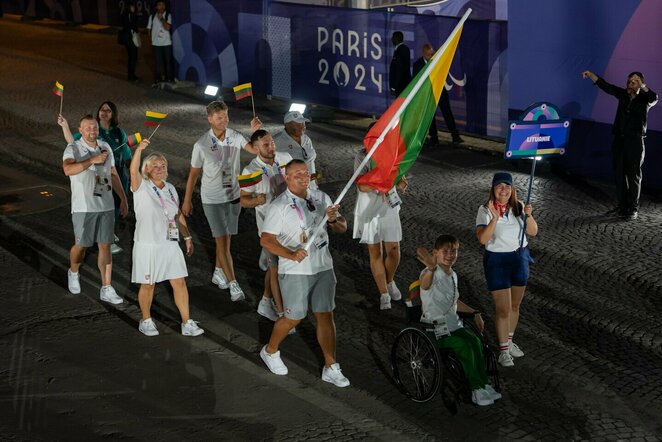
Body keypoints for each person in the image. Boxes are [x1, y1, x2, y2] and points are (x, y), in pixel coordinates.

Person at [259, 160, 350, 388]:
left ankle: (331, 366)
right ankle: (270, 351)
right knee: (293, 317)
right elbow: (266, 239)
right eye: (296, 173)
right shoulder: (279, 206)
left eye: (305, 173)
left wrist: (333, 219)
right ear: (287, 178)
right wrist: (290, 255)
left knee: (325, 314)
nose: (302, 176)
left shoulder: (322, 199)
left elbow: (342, 228)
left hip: (323, 267)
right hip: (295, 271)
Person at [182, 100, 260, 302]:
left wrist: (256, 132)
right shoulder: (201, 144)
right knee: (223, 240)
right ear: (209, 119)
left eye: (226, 116)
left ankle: (218, 271)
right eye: (219, 117)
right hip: (212, 199)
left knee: (226, 241)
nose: (224, 120)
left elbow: (253, 149)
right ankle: (233, 284)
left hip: (233, 196)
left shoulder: (234, 136)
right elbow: (193, 174)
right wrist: (187, 200)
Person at [128, 139, 204, 337]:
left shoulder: (169, 188)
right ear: (147, 170)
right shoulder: (141, 187)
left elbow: (176, 214)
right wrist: (139, 150)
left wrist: (187, 237)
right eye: (155, 166)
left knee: (179, 283)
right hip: (148, 245)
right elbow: (132, 171)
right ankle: (146, 320)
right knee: (148, 285)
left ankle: (187, 322)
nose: (160, 168)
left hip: (169, 244)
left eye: (163, 165)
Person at [415, 234, 501, 406]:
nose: (450, 255)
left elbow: (454, 301)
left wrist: (475, 312)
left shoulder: (452, 274)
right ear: (436, 253)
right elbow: (424, 285)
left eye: (453, 251)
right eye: (445, 251)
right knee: (463, 346)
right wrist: (431, 268)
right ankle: (476, 390)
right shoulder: (429, 272)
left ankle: (484, 384)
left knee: (475, 342)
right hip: (434, 330)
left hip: (453, 325)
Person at [62, 114, 129, 304]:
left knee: (105, 245)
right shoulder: (73, 148)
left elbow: (113, 173)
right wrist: (92, 160)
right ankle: (73, 271)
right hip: (84, 207)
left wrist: (123, 199)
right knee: (82, 245)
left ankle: (106, 287)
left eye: (95, 128)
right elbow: (68, 170)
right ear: (80, 130)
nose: (92, 131)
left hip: (106, 205)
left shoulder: (105, 146)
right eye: (88, 128)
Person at [475, 172, 538, 367]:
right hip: (497, 261)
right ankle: (503, 350)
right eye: (500, 186)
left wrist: (529, 215)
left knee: (515, 306)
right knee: (502, 309)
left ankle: (509, 341)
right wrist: (494, 219)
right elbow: (483, 239)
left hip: (519, 258)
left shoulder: (518, 207)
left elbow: (533, 231)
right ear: (493, 189)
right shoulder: (484, 210)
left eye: (507, 187)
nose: (504, 190)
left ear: (512, 190)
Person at [58, 101, 133, 254]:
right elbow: (73, 143)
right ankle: (99, 239)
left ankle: (107, 236)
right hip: (95, 175)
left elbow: (126, 153)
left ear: (113, 114)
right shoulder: (90, 130)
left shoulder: (119, 133)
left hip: (113, 171)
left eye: (108, 110)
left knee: (114, 204)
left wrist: (134, 173)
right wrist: (65, 127)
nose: (104, 112)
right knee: (99, 201)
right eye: (102, 109)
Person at [582, 70, 658, 220]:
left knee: (633, 176)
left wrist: (642, 85)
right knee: (619, 174)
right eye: (629, 81)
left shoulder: (645, 99)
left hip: (635, 142)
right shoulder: (623, 94)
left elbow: (654, 97)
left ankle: (633, 209)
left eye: (635, 81)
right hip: (619, 140)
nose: (631, 83)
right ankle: (622, 206)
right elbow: (607, 86)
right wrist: (591, 75)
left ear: (641, 84)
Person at [239, 130, 291, 321]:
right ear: (255, 148)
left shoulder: (285, 158)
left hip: (291, 225)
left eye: (272, 143)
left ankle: (265, 300)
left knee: (275, 268)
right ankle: (281, 313)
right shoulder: (249, 170)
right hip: (269, 230)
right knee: (276, 270)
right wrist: (256, 201)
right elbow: (243, 200)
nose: (271, 148)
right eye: (266, 145)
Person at [353, 146, 407, 310]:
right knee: (375, 252)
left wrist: (401, 182)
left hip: (389, 206)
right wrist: (382, 185)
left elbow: (399, 177)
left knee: (394, 250)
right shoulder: (362, 156)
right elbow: (361, 186)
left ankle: (389, 280)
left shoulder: (393, 153)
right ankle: (383, 293)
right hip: (370, 208)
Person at [413, 43, 463, 145]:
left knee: (447, 114)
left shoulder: (437, 62)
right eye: (428, 55)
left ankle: (455, 136)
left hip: (440, 92)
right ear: (424, 53)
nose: (430, 57)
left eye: (432, 55)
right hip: (427, 95)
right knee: (430, 117)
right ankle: (434, 138)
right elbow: (415, 80)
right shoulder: (417, 65)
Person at [273, 111, 319, 190]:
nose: (302, 127)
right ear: (287, 125)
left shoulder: (306, 139)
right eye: (298, 124)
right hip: (293, 189)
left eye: (303, 123)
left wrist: (314, 183)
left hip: (311, 187)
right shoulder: (276, 141)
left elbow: (311, 163)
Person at [147, 0, 173, 84]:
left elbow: (167, 28)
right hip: (156, 43)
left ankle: (169, 78)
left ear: (165, 7)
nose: (161, 6)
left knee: (168, 62)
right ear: (156, 7)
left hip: (167, 43)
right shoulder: (152, 16)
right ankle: (158, 79)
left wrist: (161, 19)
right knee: (158, 63)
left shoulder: (168, 15)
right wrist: (151, 39)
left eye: (163, 5)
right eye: (159, 5)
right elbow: (149, 28)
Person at [120, 0, 140, 82]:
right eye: (132, 6)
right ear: (129, 7)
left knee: (131, 57)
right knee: (133, 57)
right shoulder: (130, 14)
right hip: (130, 38)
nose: (134, 8)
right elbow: (133, 25)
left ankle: (131, 75)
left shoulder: (124, 14)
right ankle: (131, 76)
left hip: (126, 39)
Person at [389, 31, 411, 97]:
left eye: (393, 38)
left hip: (401, 87)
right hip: (403, 85)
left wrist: (394, 87)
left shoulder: (401, 51)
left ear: (396, 39)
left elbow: (399, 70)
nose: (391, 39)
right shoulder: (403, 49)